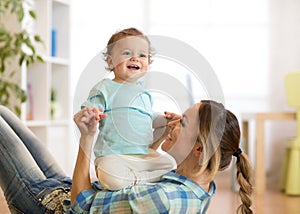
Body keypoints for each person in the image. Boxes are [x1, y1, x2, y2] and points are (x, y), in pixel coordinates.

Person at [0, 100, 253, 214]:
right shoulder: (199, 185)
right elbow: (134, 174)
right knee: (4, 113)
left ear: (198, 149)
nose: (173, 122)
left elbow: (81, 206)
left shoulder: (164, 200)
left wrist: (87, 138)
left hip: (48, 206)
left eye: (182, 122)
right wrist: (167, 137)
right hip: (66, 189)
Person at [81, 27, 176, 190]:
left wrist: (164, 119)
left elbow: (147, 117)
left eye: (142, 55)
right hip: (113, 156)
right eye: (126, 53)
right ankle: (142, 180)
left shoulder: (144, 94)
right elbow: (92, 106)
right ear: (111, 62)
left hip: (143, 157)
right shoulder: (105, 87)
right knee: (111, 177)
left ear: (148, 62)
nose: (135, 58)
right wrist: (92, 113)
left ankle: (135, 180)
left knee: (172, 165)